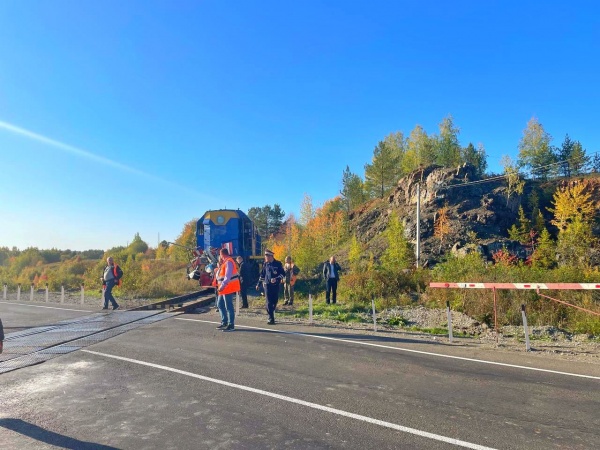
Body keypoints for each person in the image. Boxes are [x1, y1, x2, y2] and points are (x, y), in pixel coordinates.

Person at [215, 248, 241, 331]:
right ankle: (224, 322)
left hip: (227, 287)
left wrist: (222, 286)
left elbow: (228, 275)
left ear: (222, 254)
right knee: (220, 304)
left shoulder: (228, 262)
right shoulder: (225, 262)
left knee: (228, 306)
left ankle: (231, 325)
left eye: (220, 255)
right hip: (223, 288)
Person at [256, 249, 284, 324]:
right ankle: (271, 318)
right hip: (267, 285)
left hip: (275, 285)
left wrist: (276, 279)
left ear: (270, 256)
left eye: (266, 256)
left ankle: (271, 311)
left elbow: (282, 274)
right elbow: (262, 275)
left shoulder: (278, 264)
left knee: (274, 301)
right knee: (268, 301)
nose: (265, 258)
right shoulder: (265, 264)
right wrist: (258, 284)